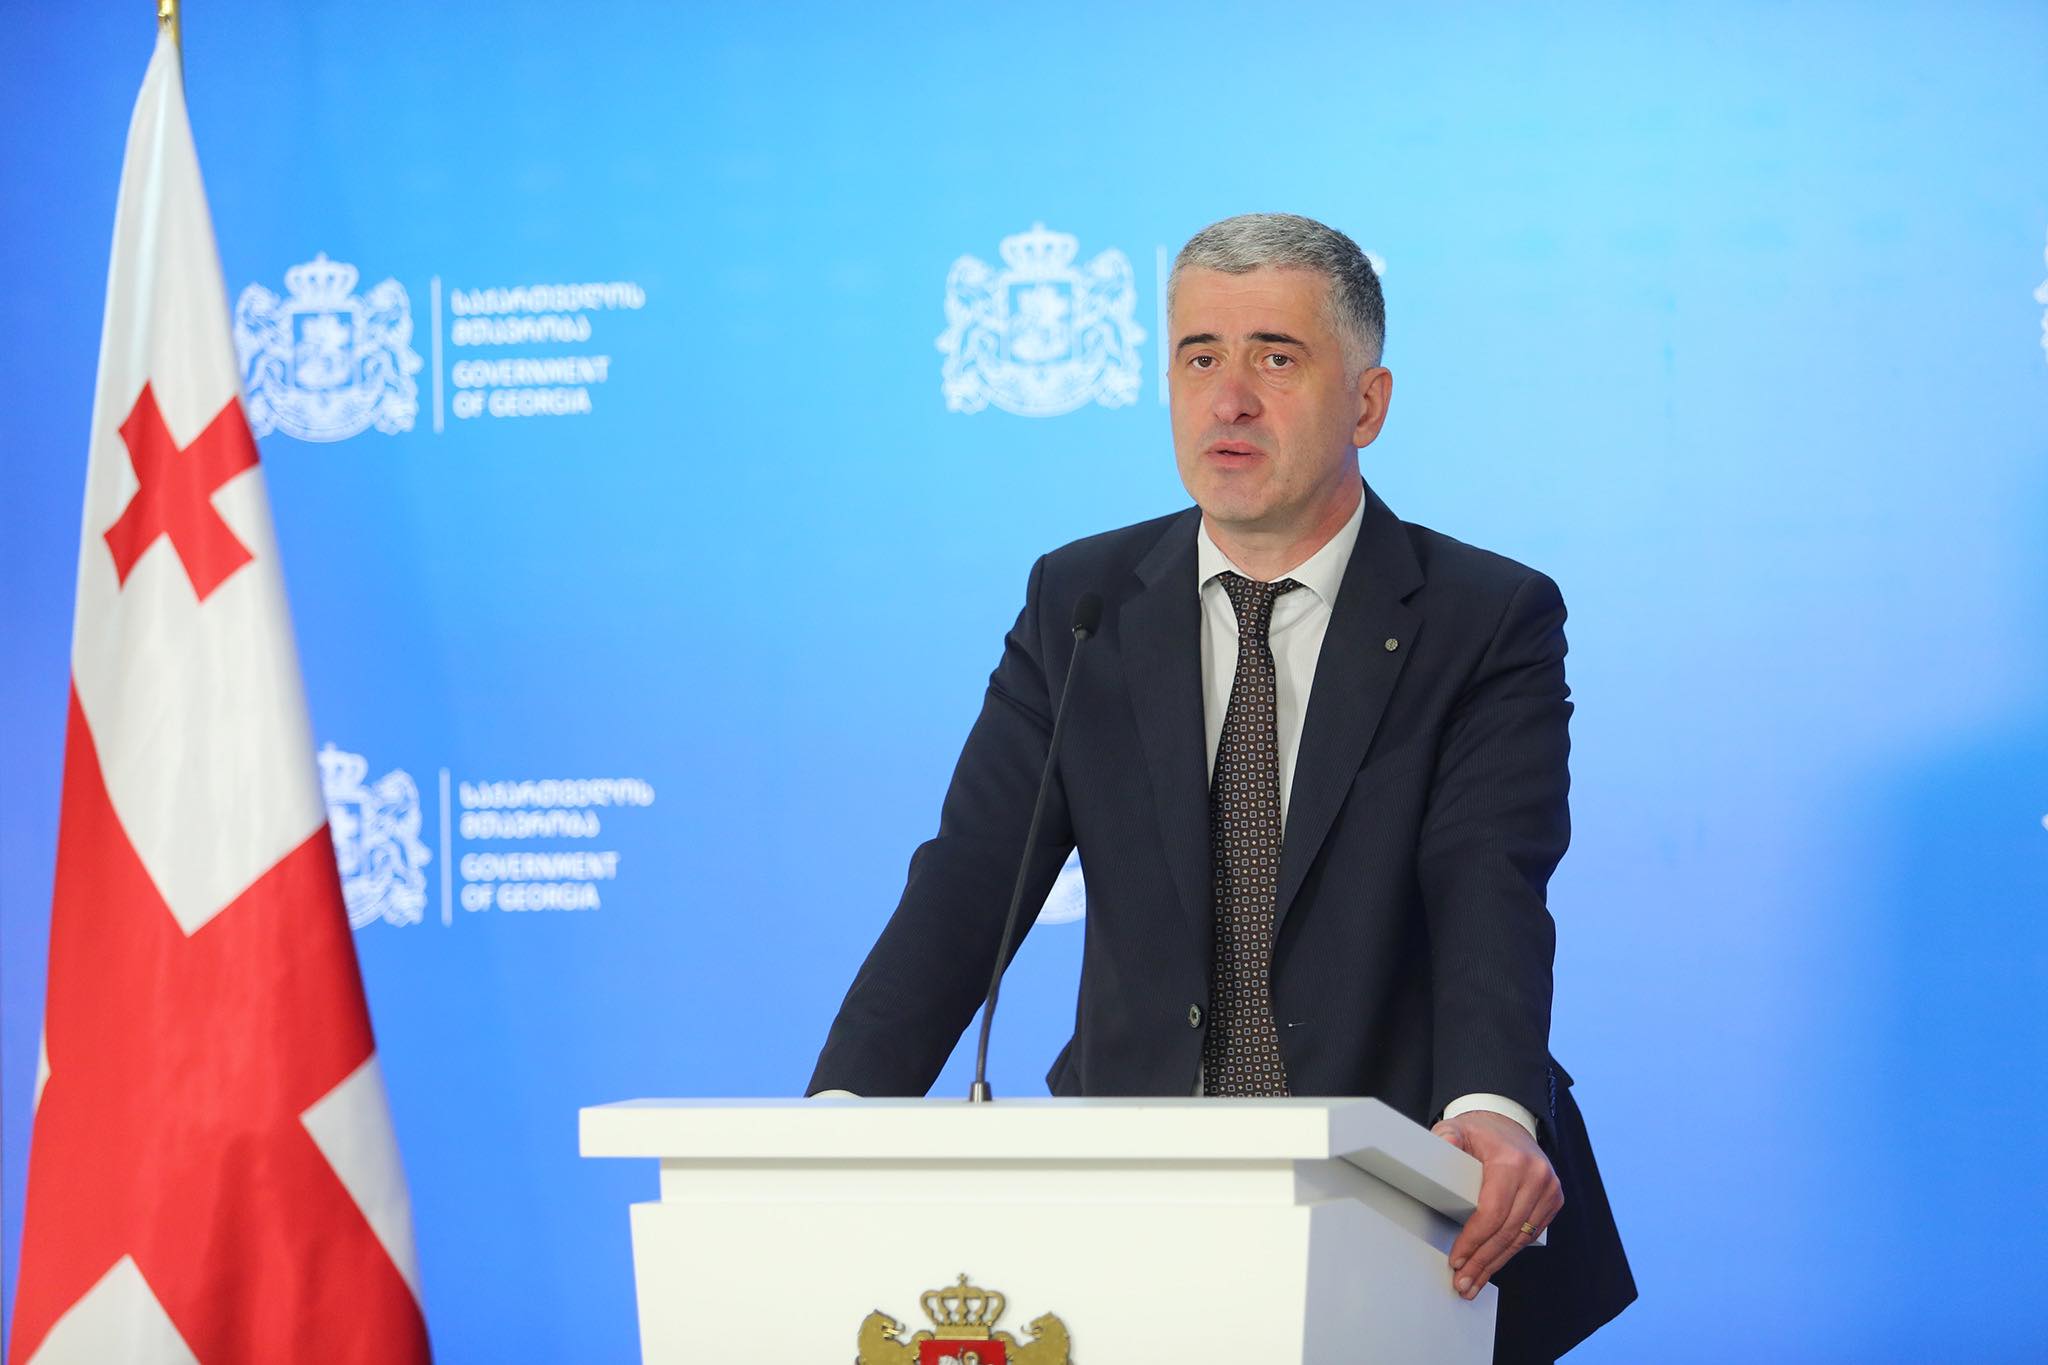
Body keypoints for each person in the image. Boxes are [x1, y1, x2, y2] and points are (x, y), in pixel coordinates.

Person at [809, 213, 1634, 1362]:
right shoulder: (1082, 601)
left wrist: (1488, 1111)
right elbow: (971, 882)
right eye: (1199, 357)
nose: (1228, 399)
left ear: (1366, 404)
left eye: (1274, 358)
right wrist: (838, 1120)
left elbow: (1485, 882)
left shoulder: (1482, 618)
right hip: (1140, 1212)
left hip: (1405, 1204)